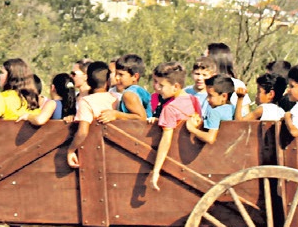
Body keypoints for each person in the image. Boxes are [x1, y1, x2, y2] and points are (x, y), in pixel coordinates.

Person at [147, 62, 197, 190]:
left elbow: (166, 141)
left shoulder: (169, 109)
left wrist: (156, 170)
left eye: (161, 85)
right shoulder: (193, 100)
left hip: (177, 160)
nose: (157, 87)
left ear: (176, 86)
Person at [66, 62, 119, 168]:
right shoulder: (116, 98)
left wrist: (71, 150)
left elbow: (82, 132)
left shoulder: (86, 102)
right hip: (118, 151)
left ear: (88, 81)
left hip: (95, 153)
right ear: (108, 81)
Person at [0, 58, 43, 123]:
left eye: (2, 73)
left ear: (11, 76)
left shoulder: (4, 97)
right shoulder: (34, 99)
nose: (0, 76)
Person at [97, 54, 152, 123]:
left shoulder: (128, 94)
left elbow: (142, 118)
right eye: (116, 74)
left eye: (121, 74)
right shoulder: (139, 90)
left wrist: (116, 115)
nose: (116, 78)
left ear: (135, 76)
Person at [186, 75, 235, 145]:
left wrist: (192, 129)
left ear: (224, 96)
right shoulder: (233, 108)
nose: (207, 99)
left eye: (210, 95)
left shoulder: (215, 112)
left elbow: (210, 138)